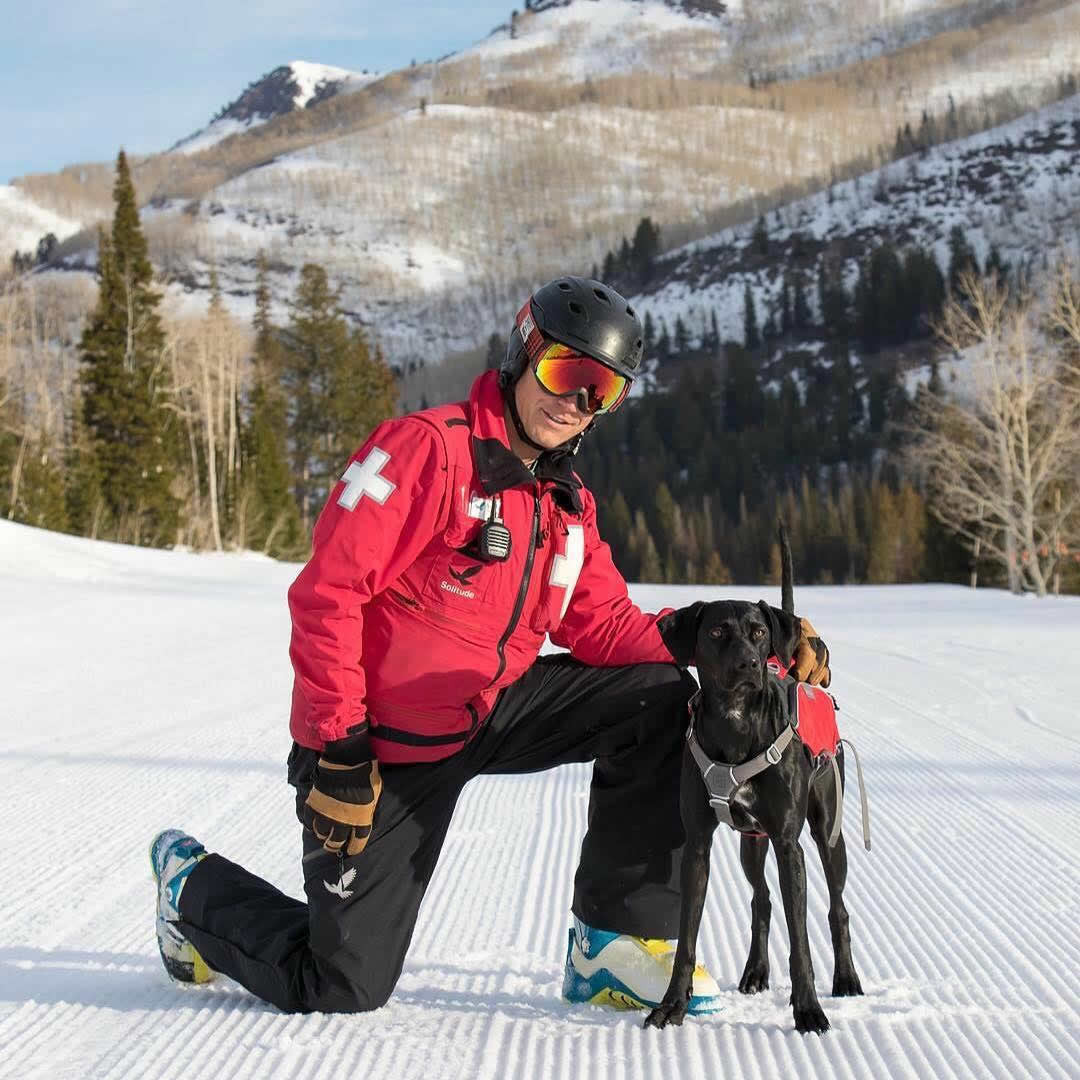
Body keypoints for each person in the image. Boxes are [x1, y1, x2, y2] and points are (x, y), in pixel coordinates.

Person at [150, 276, 831, 1015]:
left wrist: (729, 642)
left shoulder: (566, 506)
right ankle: (194, 891)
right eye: (567, 373)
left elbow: (604, 626)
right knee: (342, 982)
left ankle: (612, 943)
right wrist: (337, 746)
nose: (575, 402)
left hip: (495, 709)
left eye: (601, 391)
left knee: (662, 693)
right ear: (525, 351)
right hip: (380, 748)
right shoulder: (427, 453)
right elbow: (328, 596)